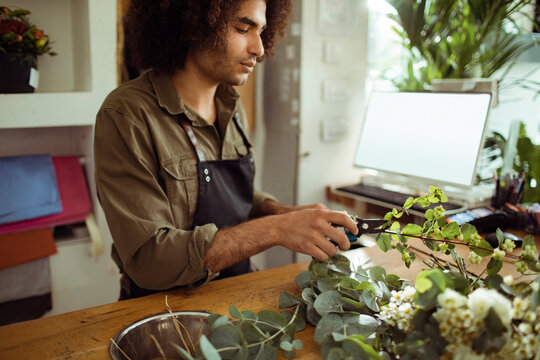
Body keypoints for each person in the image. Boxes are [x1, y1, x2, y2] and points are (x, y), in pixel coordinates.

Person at [94, 0, 358, 300]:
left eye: (261, 31)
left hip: (235, 296)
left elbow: (236, 196)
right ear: (195, 25)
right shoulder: (127, 115)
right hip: (162, 312)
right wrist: (277, 229)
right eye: (243, 28)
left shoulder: (231, 108)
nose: (259, 48)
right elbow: (150, 261)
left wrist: (282, 212)